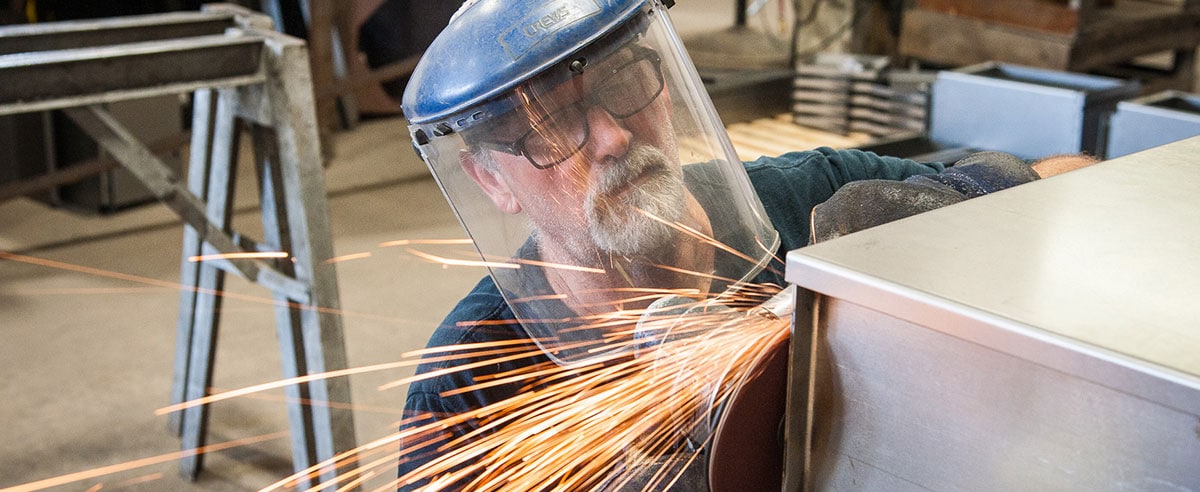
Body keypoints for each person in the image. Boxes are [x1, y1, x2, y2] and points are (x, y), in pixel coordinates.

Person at [394, 0, 1097, 488]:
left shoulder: (816, 200)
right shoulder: (469, 387)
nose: (611, 136)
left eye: (624, 82)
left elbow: (1082, 184)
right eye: (550, 126)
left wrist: (962, 204)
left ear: (667, 88)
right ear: (490, 179)